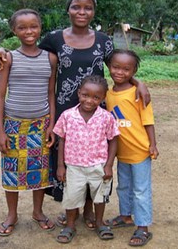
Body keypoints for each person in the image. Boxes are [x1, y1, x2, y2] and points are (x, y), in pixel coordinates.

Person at [0, 0, 151, 230]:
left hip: (96, 111)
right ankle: (71, 211)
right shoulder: (54, 38)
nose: (82, 11)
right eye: (76, 6)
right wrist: (0, 50)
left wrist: (140, 82)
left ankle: (89, 212)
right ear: (68, 10)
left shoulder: (104, 41)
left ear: (94, 11)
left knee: (95, 159)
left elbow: (121, 67)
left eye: (88, 7)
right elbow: (27, 47)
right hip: (65, 114)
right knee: (69, 160)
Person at [0, 8, 57, 236]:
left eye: (33, 26)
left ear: (40, 28)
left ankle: (38, 212)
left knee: (39, 171)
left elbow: (51, 93)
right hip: (13, 124)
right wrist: (0, 131)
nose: (29, 31)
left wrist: (51, 124)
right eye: (22, 27)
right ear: (14, 30)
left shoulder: (50, 58)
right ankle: (12, 214)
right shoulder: (8, 58)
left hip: (40, 125)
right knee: (12, 170)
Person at [53, 75, 119, 243]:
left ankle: (99, 223)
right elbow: (62, 140)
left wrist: (109, 165)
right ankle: (69, 225)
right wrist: (61, 166)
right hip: (74, 166)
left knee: (100, 196)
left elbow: (113, 140)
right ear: (79, 93)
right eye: (85, 95)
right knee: (72, 196)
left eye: (96, 97)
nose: (89, 100)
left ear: (103, 98)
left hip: (99, 165)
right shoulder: (68, 116)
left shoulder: (106, 117)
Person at [105, 49, 159, 247]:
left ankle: (143, 226)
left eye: (126, 69)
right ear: (109, 67)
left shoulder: (138, 93)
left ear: (134, 70)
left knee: (140, 190)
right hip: (121, 153)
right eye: (116, 67)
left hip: (139, 151)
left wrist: (152, 144)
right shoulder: (108, 93)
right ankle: (126, 216)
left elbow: (148, 120)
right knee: (124, 187)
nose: (120, 72)